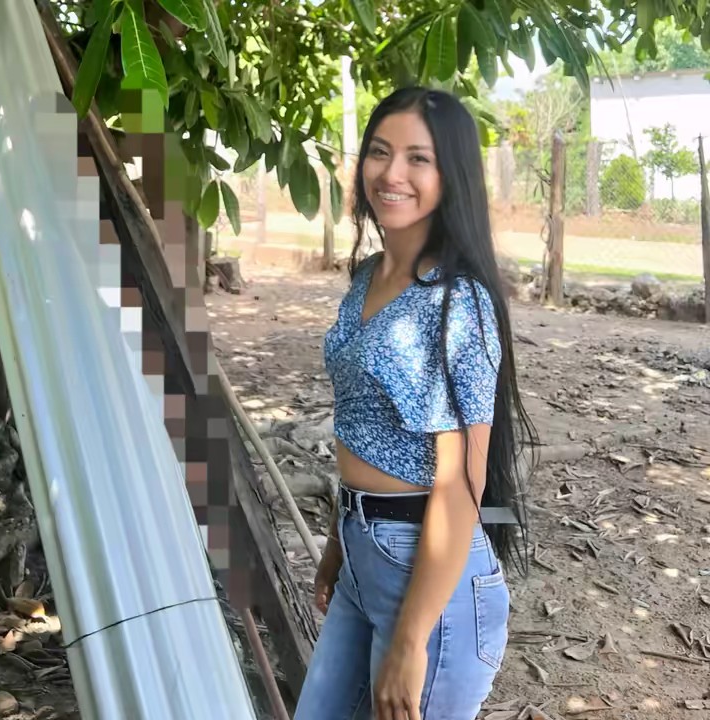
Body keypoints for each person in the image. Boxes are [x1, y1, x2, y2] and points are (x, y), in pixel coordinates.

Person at [293, 86, 537, 720]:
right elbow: (361, 423)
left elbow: (459, 484)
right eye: (379, 152)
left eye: (417, 158)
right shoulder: (368, 276)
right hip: (362, 550)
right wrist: (340, 543)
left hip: (429, 586)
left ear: (449, 176)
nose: (391, 173)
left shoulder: (457, 303)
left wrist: (410, 640)